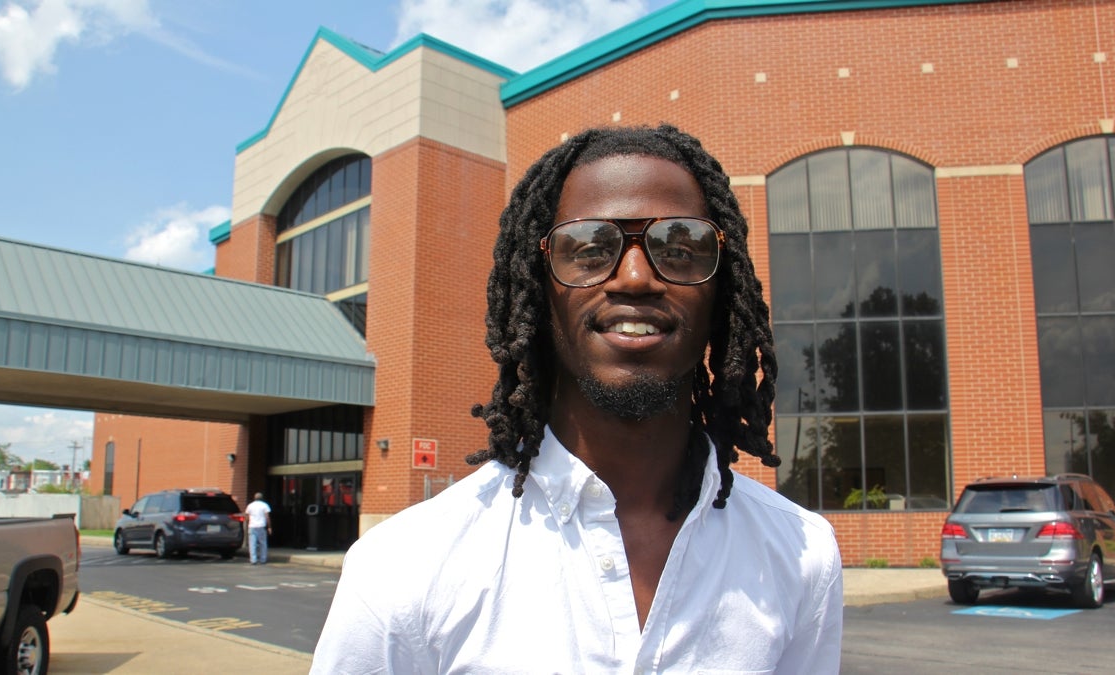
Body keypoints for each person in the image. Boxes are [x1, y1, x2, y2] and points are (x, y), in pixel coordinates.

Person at [311, 124, 843, 673]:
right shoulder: (404, 566)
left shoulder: (801, 555)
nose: (635, 278)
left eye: (680, 246)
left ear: (722, 287)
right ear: (539, 290)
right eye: (589, 248)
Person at [244, 492, 271, 565]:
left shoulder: (250, 506)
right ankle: (263, 559)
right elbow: (267, 517)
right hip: (261, 526)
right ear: (262, 498)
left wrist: (247, 524)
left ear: (254, 498)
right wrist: (269, 527)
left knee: (252, 544)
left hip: (252, 526)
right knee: (263, 543)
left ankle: (253, 560)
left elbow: (247, 517)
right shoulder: (265, 505)